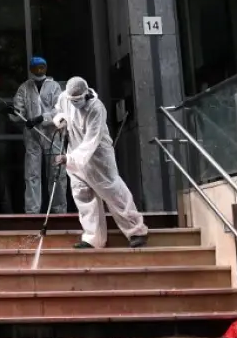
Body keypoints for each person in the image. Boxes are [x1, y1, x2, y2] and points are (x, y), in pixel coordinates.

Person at [52, 77, 148, 249]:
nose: (73, 103)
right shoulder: (64, 98)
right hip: (74, 153)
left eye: (77, 100)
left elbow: (91, 141)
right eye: (71, 100)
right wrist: (60, 119)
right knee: (83, 196)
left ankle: (136, 231)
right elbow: (58, 110)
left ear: (86, 94)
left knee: (113, 192)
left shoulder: (96, 108)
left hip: (98, 157)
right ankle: (93, 238)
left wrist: (69, 159)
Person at [12, 56, 65, 215]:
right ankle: (32, 212)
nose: (40, 70)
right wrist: (13, 113)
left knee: (56, 174)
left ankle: (59, 211)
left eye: (42, 67)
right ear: (31, 69)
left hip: (52, 134)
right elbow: (18, 111)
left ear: (46, 67)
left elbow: (60, 109)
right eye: (37, 68)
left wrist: (42, 118)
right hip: (32, 136)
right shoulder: (24, 88)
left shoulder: (54, 87)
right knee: (32, 174)